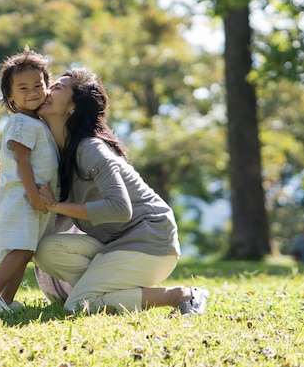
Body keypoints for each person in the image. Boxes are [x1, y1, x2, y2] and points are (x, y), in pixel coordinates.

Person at [33, 67, 209, 315]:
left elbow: (119, 208)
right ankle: (107, 292)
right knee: (45, 250)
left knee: (79, 305)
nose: (46, 91)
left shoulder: (91, 148)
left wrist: (56, 206)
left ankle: (183, 295)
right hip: (114, 244)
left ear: (73, 107)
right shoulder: (60, 154)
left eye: (57, 88)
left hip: (151, 240)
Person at [0, 49, 60, 313]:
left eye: (38, 85)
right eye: (23, 88)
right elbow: (20, 160)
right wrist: (34, 195)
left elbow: (8, 160)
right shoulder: (22, 122)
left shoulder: (38, 121)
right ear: (10, 95)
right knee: (21, 249)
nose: (32, 92)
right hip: (23, 198)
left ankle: (6, 300)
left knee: (27, 250)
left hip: (31, 198)